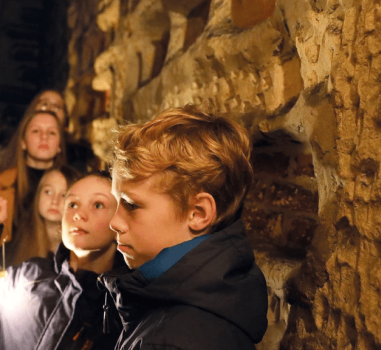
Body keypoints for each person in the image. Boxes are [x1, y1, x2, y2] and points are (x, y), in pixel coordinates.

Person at [101, 105, 268, 349]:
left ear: (198, 213)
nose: (114, 222)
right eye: (117, 202)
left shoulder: (170, 341)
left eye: (132, 205)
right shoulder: (214, 298)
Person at [0, 172, 125, 350]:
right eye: (72, 204)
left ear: (120, 221)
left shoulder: (123, 311)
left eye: (98, 204)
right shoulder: (28, 278)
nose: (79, 214)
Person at [0, 109, 65, 266]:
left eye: (51, 133)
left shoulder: (75, 188)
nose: (44, 136)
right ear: (23, 142)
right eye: (36, 131)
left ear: (60, 145)